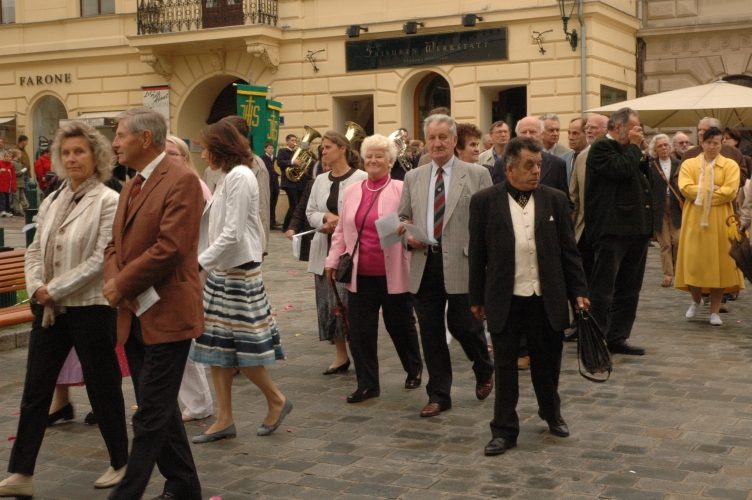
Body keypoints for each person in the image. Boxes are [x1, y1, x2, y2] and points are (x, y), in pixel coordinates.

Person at [0, 121, 129, 498]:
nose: (72, 159)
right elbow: (36, 246)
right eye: (67, 153)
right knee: (36, 390)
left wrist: (51, 290)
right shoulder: (54, 198)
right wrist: (36, 286)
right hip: (51, 310)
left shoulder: (108, 199)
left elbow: (99, 259)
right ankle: (21, 473)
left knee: (103, 386)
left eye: (80, 152)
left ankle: (121, 461)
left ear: (96, 156)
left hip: (89, 308)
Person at [104, 107, 203, 500]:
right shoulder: (131, 184)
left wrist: (121, 283)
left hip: (169, 313)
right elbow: (115, 243)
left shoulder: (182, 180)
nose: (114, 142)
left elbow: (171, 248)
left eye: (120, 134)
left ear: (146, 139)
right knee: (156, 407)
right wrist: (116, 281)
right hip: (135, 312)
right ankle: (184, 486)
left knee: (150, 414)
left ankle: (126, 493)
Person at [468, 137, 589, 456]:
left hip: (546, 297)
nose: (537, 171)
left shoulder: (556, 200)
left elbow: (569, 252)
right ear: (509, 168)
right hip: (504, 297)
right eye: (529, 165)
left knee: (548, 364)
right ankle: (504, 430)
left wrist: (579, 292)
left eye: (539, 165)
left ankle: (552, 413)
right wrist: (476, 298)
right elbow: (477, 254)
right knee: (505, 367)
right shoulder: (484, 202)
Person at [190, 120, 291, 443]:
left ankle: (277, 399)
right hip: (224, 270)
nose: (204, 155)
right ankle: (224, 419)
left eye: (207, 148)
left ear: (221, 149)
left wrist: (197, 263)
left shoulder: (240, 176)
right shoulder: (226, 177)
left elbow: (232, 234)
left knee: (243, 350)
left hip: (238, 270)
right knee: (217, 349)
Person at [398, 113, 494, 418]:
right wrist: (406, 235)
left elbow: (490, 223)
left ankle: (483, 366)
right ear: (426, 141)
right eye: (432, 137)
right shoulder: (414, 177)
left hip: (464, 263)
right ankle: (439, 394)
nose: (437, 143)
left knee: (465, 325)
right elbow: (402, 218)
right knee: (430, 331)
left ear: (454, 141)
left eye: (443, 137)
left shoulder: (477, 174)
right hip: (425, 263)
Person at [324, 134, 423, 403]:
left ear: (390, 161)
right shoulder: (352, 191)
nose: (374, 160)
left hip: (393, 272)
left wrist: (410, 233)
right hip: (360, 273)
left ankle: (413, 368)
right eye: (370, 155)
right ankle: (368, 384)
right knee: (360, 332)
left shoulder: (402, 189)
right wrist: (332, 261)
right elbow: (342, 232)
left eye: (380, 155)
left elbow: (413, 225)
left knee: (400, 326)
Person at [585, 107, 652, 356]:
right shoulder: (602, 147)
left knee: (629, 288)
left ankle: (618, 336)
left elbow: (640, 181)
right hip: (612, 230)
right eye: (634, 127)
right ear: (618, 127)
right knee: (603, 289)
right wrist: (635, 149)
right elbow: (620, 170)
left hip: (636, 230)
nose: (638, 132)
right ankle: (595, 338)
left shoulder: (629, 151)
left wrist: (641, 153)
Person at [306, 131, 367, 374]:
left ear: (342, 148)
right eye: (322, 148)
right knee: (328, 303)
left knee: (350, 306)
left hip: (350, 253)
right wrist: (325, 217)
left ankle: (360, 354)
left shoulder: (361, 177)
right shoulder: (320, 180)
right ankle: (341, 355)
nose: (323, 152)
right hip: (323, 250)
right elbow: (310, 211)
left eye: (328, 147)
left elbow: (367, 211)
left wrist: (344, 222)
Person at [164, 135, 215, 423]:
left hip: (191, 270)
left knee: (184, 337)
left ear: (184, 157)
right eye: (164, 154)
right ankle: (194, 400)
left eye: (174, 154)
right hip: (182, 270)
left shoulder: (194, 185)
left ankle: (198, 402)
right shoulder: (172, 184)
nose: (168, 159)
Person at [675, 126, 744, 326]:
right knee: (694, 262)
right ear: (701, 143)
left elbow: (730, 192)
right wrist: (711, 190)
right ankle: (696, 299)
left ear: (721, 143)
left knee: (719, 265)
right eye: (708, 143)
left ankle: (714, 310)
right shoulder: (689, 164)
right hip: (695, 220)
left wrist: (704, 194)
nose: (712, 147)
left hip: (721, 220)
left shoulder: (730, 165)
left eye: (716, 143)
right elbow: (685, 188)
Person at [493, 116, 568, 194]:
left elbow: (563, 201)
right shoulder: (502, 163)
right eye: (524, 132)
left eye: (532, 132)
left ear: (542, 135)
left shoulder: (557, 165)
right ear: (517, 135)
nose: (528, 136)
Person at [647, 134, 683, 288]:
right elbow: (648, 188)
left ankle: (678, 271)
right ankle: (668, 274)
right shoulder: (651, 166)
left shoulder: (678, 164)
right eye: (660, 146)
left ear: (670, 147)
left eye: (665, 145)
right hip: (659, 207)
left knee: (678, 240)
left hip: (676, 206)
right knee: (665, 243)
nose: (663, 148)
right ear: (655, 149)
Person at [279, 133, 309, 231]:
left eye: (295, 140)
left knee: (297, 205)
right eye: (292, 140)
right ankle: (290, 227)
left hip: (299, 182)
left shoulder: (298, 151)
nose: (294, 142)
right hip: (289, 182)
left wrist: (303, 167)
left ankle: (289, 226)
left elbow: (303, 163)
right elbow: (280, 162)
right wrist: (292, 162)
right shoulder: (282, 151)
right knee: (294, 204)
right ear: (287, 141)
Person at [262, 140, 281, 228]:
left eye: (272, 148)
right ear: (265, 149)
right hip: (267, 183)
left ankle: (272, 222)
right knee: (267, 203)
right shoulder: (262, 158)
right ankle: (267, 222)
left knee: (273, 203)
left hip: (275, 184)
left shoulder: (276, 159)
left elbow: (279, 170)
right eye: (269, 148)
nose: (270, 150)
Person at [0, 152, 15, 217]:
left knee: (7, 198)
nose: (9, 158)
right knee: (2, 198)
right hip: (1, 185)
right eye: (7, 157)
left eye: (10, 157)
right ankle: (2, 210)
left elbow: (13, 177)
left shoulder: (11, 166)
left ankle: (7, 211)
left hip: (8, 185)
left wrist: (14, 186)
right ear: (4, 157)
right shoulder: (0, 163)